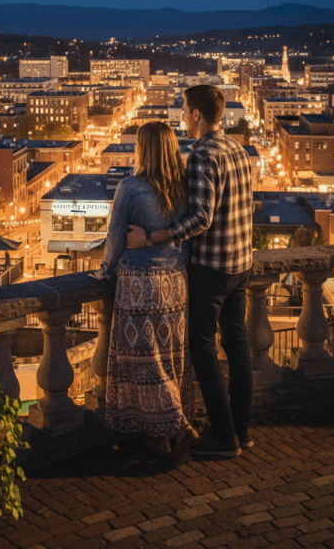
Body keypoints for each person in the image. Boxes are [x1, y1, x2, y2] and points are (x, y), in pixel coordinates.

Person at [126, 85, 253, 460]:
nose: (183, 116)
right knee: (238, 345)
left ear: (197, 114)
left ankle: (224, 435)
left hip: (212, 268)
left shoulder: (202, 156)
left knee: (201, 348)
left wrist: (154, 235)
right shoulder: (239, 150)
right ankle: (243, 430)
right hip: (241, 264)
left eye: (185, 109)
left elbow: (201, 217)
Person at [90, 121, 197, 464]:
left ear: (142, 149)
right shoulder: (184, 187)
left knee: (146, 364)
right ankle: (158, 439)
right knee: (168, 357)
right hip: (175, 283)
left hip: (139, 284)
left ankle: (178, 427)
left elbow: (115, 237)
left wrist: (104, 272)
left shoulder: (130, 188)